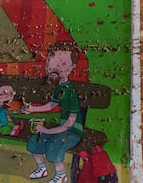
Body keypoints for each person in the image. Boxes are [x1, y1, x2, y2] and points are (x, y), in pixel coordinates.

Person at [17, 40, 85, 181]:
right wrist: (32, 109)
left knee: (55, 142)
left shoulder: (70, 92)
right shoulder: (60, 87)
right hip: (62, 128)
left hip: (73, 131)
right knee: (36, 138)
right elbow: (51, 105)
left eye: (61, 64)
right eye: (51, 63)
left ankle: (61, 175)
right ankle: (42, 169)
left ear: (72, 67)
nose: (54, 68)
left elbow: (70, 123)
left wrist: (47, 131)